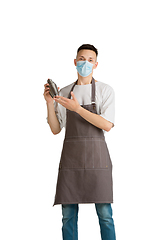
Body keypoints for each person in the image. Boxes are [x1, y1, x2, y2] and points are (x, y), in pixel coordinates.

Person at [43, 44, 116, 240]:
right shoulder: (65, 91)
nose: (86, 63)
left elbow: (107, 125)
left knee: (105, 215)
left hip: (97, 161)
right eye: (82, 59)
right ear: (75, 62)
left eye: (90, 60)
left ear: (96, 64)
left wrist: (77, 109)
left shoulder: (104, 90)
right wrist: (50, 103)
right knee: (67, 216)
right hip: (71, 161)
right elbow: (56, 129)